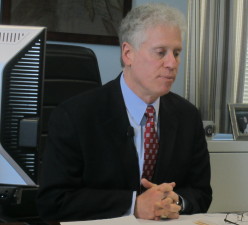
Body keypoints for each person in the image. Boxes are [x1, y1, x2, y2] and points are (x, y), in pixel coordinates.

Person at [37, 3, 212, 222]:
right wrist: (134, 205)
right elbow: (53, 202)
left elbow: (202, 193)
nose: (172, 63)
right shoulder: (74, 116)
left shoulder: (188, 116)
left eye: (176, 53)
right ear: (128, 53)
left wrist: (175, 201)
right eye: (161, 52)